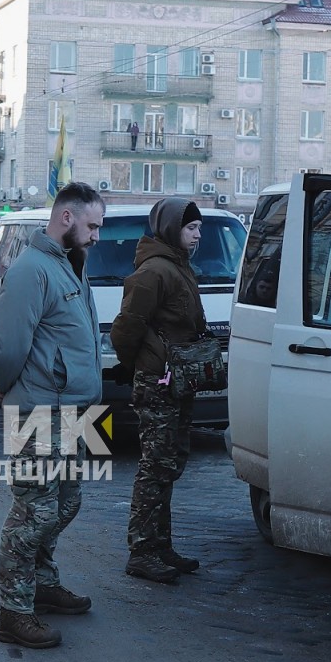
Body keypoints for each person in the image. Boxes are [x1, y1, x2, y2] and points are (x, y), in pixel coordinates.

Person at [0, 182, 107, 650]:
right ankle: (14, 611)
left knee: (66, 503)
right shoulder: (32, 269)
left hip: (71, 411)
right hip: (40, 412)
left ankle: (42, 582)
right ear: (67, 219)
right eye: (92, 225)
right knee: (34, 512)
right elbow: (6, 347)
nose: (97, 236)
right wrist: (7, 390)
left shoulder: (70, 265)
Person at [109, 198, 211, 584]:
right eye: (191, 229)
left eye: (199, 228)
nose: (198, 235)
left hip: (179, 378)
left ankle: (159, 544)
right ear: (171, 229)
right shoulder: (154, 272)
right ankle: (141, 550)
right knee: (155, 465)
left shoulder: (179, 267)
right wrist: (141, 363)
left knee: (169, 462)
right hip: (159, 382)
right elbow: (126, 326)